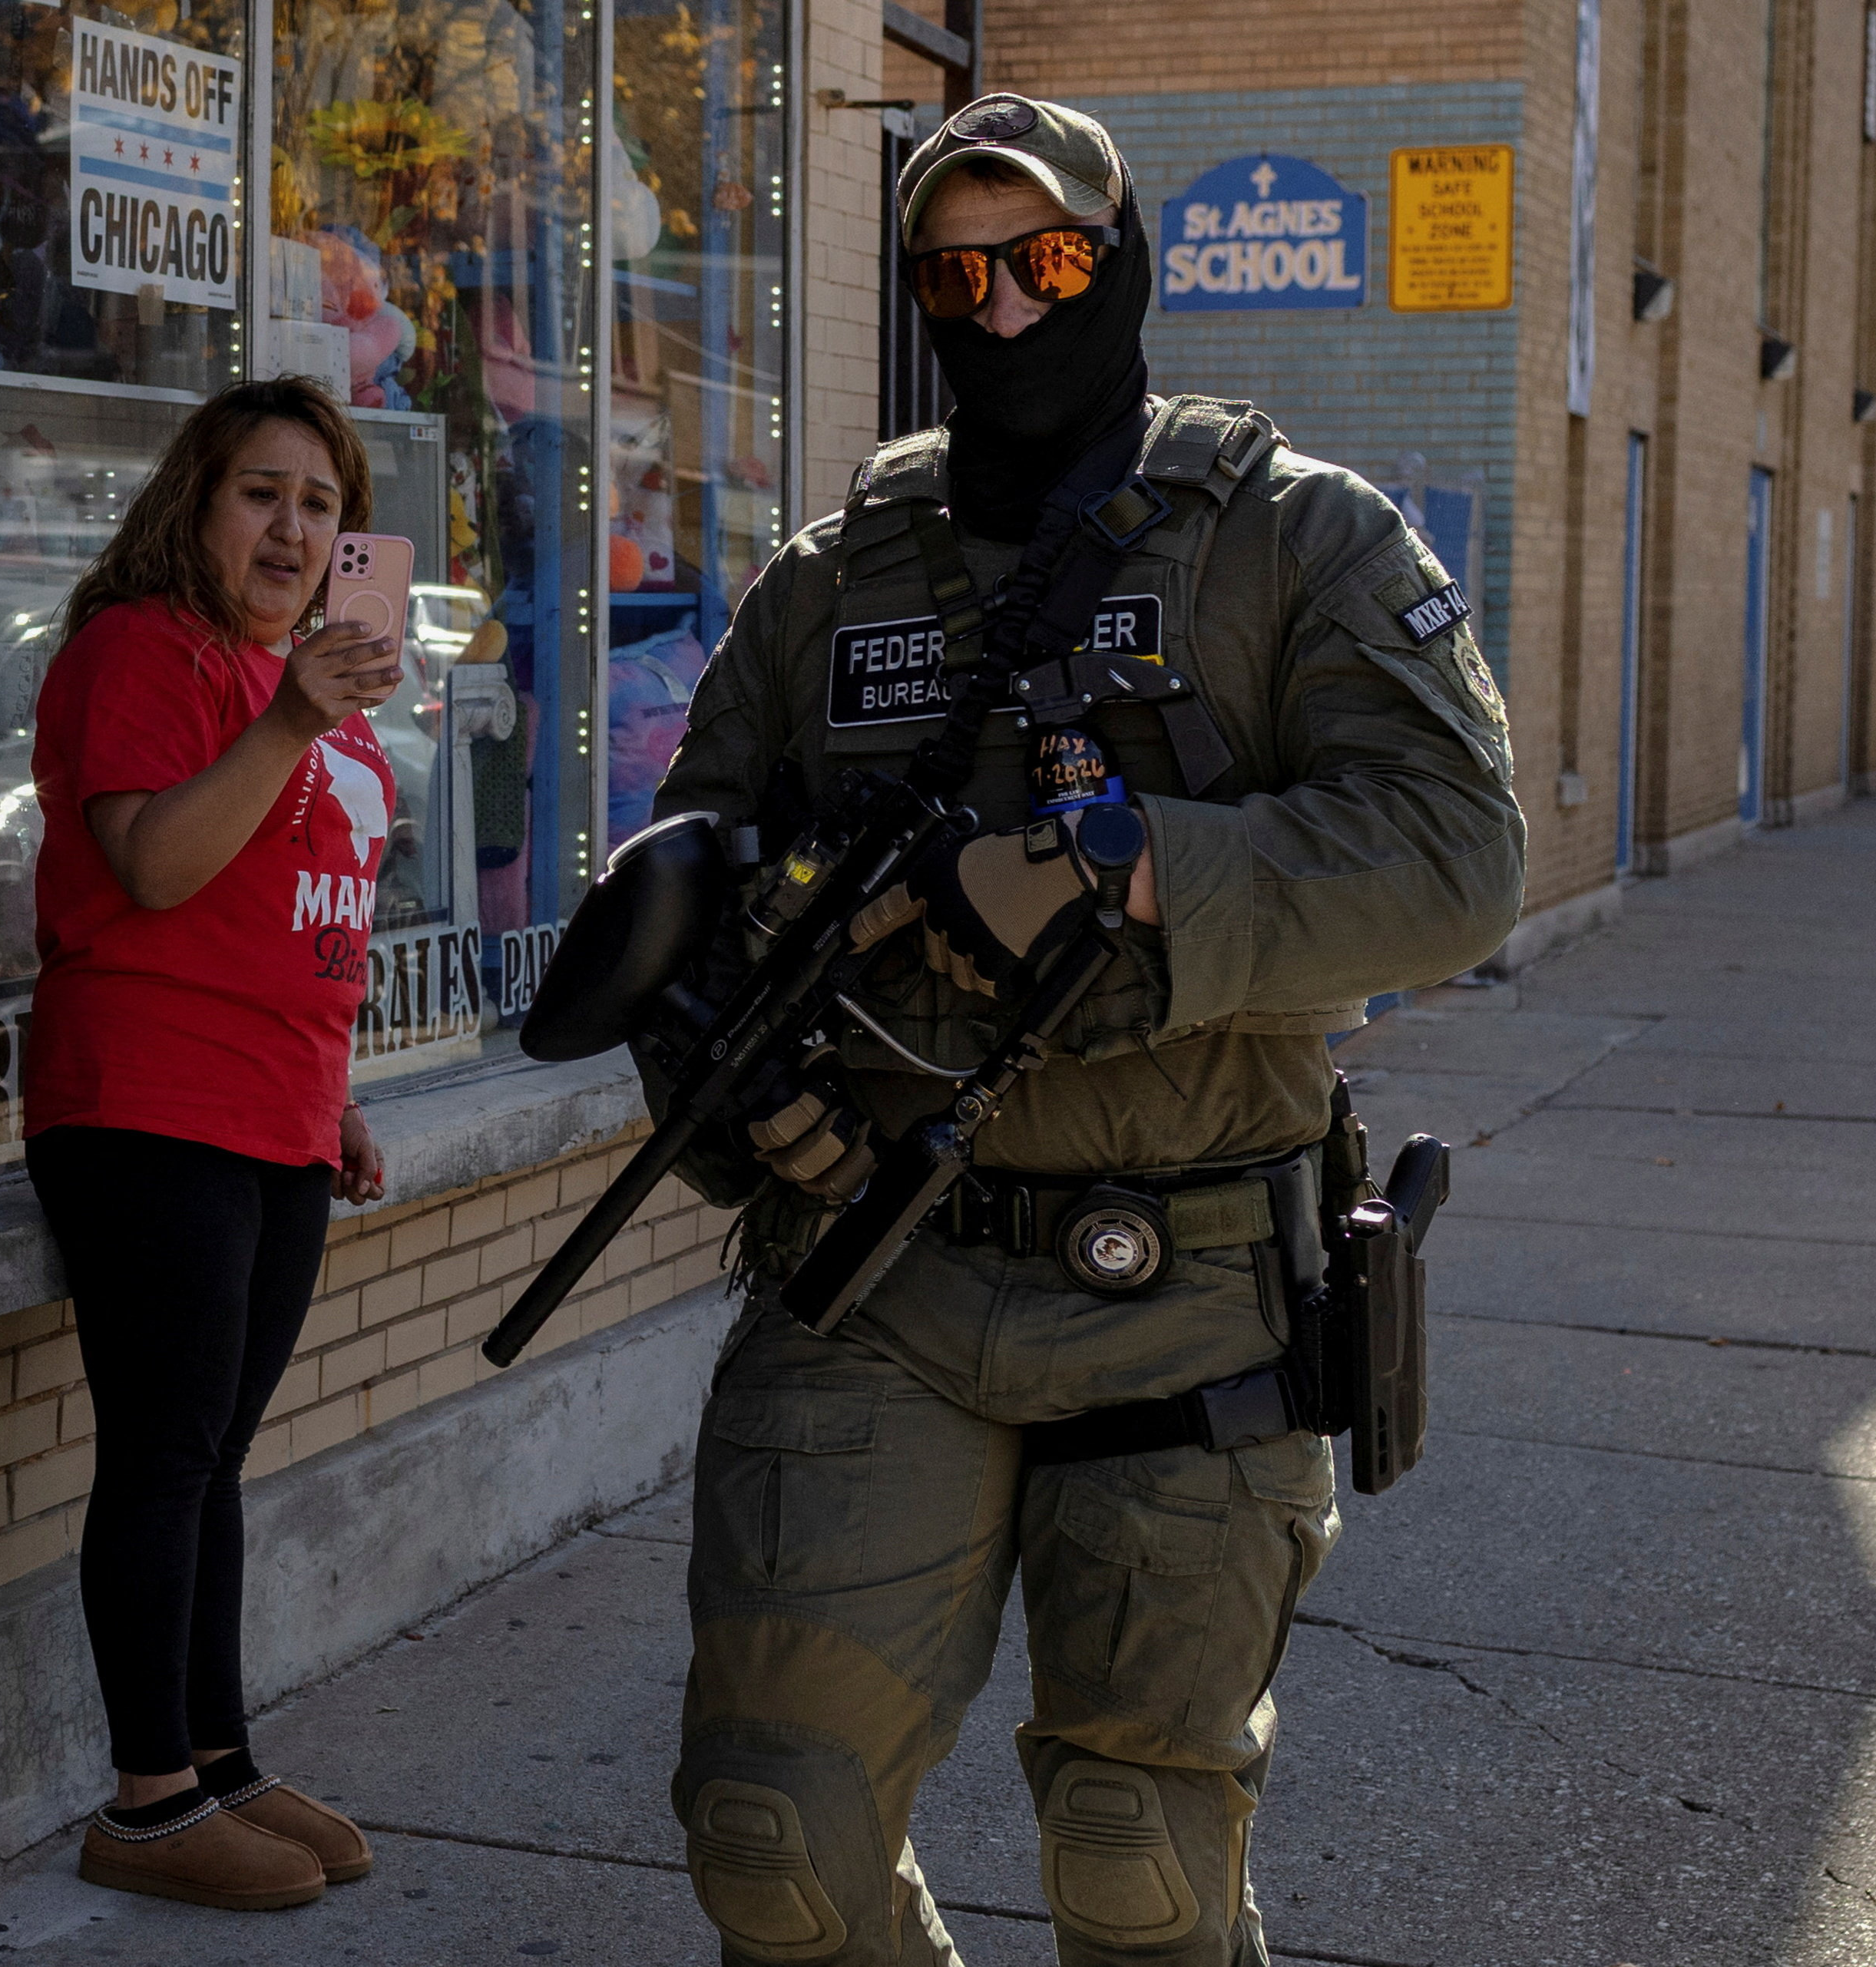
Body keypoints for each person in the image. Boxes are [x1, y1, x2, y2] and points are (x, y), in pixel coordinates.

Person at [649, 97, 1527, 1963]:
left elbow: (1455, 857)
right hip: (871, 1277)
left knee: (1138, 1857)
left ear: (1115, 265)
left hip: (1185, 1280)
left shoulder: (1289, 537)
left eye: (1045, 262)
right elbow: (690, 888)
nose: (1003, 309)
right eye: (952, 277)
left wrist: (1119, 868)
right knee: (769, 1836)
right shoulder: (829, 580)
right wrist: (729, 1083)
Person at [23, 378, 402, 1912]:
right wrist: (292, 715)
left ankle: (218, 1762)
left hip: (276, 1110)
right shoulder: (144, 651)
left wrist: (337, 1093)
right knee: (165, 1454)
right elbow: (156, 868)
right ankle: (146, 1804)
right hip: (149, 1101)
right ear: (194, 500)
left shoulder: (292, 683)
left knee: (214, 1460)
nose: (292, 528)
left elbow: (286, 917)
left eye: (321, 504)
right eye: (261, 492)